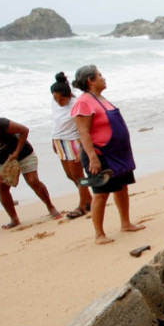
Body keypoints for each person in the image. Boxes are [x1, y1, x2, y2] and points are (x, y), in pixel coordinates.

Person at [70, 65, 144, 244]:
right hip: (100, 154)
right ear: (91, 80)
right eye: (100, 75)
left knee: (122, 187)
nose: (104, 78)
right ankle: (99, 234)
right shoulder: (84, 102)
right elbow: (84, 132)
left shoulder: (101, 98)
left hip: (117, 153)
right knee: (101, 193)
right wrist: (92, 157)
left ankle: (125, 223)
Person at [0, 103, 61, 229]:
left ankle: (51, 207)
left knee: (33, 181)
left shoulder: (0, 124)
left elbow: (24, 130)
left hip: (23, 152)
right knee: (1, 187)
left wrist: (16, 153)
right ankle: (14, 219)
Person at [50, 72, 92, 218]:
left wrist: (82, 148)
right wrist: (53, 140)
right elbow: (56, 121)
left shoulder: (76, 104)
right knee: (70, 175)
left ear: (68, 96)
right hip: (59, 140)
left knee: (78, 175)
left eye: (62, 99)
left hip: (74, 141)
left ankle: (82, 206)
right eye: (56, 98)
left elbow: (83, 127)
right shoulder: (55, 101)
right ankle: (89, 200)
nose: (58, 102)